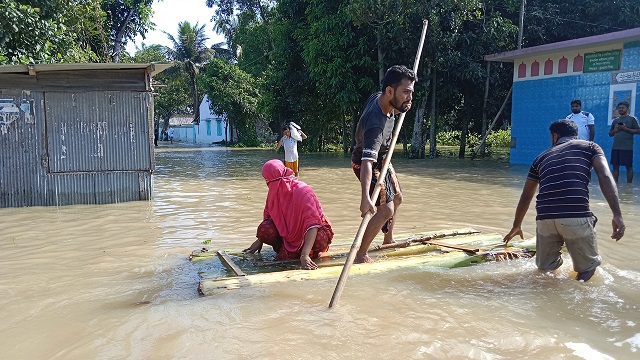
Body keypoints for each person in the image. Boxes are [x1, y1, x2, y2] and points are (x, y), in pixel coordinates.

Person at [503, 120, 625, 282]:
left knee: (545, 271)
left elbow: (526, 195)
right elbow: (605, 175)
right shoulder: (590, 147)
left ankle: (547, 301)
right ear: (575, 135)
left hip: (544, 218)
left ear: (555, 136)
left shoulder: (540, 158)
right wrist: (617, 214)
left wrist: (516, 225)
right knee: (587, 269)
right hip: (575, 215)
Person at [351, 65, 415, 264]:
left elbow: (393, 102)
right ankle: (361, 254)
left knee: (397, 198)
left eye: (411, 92)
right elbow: (366, 163)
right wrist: (365, 198)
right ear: (389, 91)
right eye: (405, 92)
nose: (409, 98)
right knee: (385, 210)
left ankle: (387, 239)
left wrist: (402, 104)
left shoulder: (382, 98)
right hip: (366, 164)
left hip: (383, 158)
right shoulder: (375, 126)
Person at [243, 159, 333, 270]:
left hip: (312, 234)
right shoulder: (274, 193)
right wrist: (259, 241)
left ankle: (309, 252)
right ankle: (288, 249)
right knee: (264, 229)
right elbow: (269, 219)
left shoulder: (303, 191)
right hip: (288, 235)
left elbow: (313, 224)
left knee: (320, 239)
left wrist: (304, 255)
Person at [608, 101, 640, 183]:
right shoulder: (615, 121)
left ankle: (629, 186)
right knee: (615, 167)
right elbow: (610, 134)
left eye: (623, 108)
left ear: (627, 109)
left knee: (629, 167)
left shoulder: (632, 119)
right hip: (616, 147)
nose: (620, 109)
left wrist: (626, 129)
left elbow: (638, 131)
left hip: (627, 148)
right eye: (619, 108)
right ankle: (615, 184)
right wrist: (615, 130)